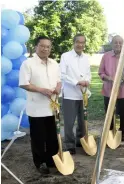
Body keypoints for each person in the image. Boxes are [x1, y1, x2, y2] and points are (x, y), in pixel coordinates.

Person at [19, 36, 61, 174]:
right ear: (36, 46)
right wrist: (41, 90)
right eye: (42, 46)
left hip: (52, 107)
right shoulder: (28, 63)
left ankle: (52, 159)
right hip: (36, 108)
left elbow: (59, 80)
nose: (45, 49)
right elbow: (24, 84)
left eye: (48, 46)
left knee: (52, 137)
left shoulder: (54, 63)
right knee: (38, 138)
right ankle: (40, 162)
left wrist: (58, 88)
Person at [60, 33, 91, 155]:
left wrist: (87, 81)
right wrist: (76, 82)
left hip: (83, 94)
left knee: (83, 120)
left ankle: (80, 141)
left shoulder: (86, 58)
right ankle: (69, 144)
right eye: (78, 42)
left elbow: (88, 74)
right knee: (69, 121)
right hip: (70, 94)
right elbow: (62, 75)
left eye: (83, 42)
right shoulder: (65, 56)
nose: (80, 44)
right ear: (74, 43)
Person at [98, 35, 124, 141]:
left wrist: (122, 79)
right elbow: (101, 72)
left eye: (120, 42)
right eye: (116, 42)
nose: (118, 44)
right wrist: (109, 78)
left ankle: (123, 133)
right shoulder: (106, 56)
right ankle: (110, 132)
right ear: (112, 44)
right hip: (109, 90)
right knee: (109, 112)